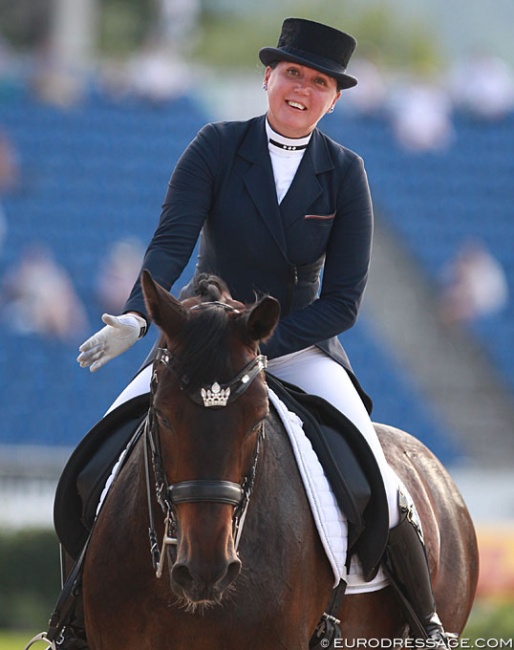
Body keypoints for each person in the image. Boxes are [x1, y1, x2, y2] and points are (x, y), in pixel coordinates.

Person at [72, 18, 452, 647]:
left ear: (334, 97)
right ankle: (75, 621)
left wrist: (254, 349)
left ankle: (424, 621)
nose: (302, 89)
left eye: (319, 82)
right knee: (97, 460)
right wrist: (139, 319)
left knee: (377, 480)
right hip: (199, 339)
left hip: (295, 341)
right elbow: (172, 241)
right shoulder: (216, 145)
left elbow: (345, 300)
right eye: (293, 74)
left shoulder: (346, 172)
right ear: (269, 77)